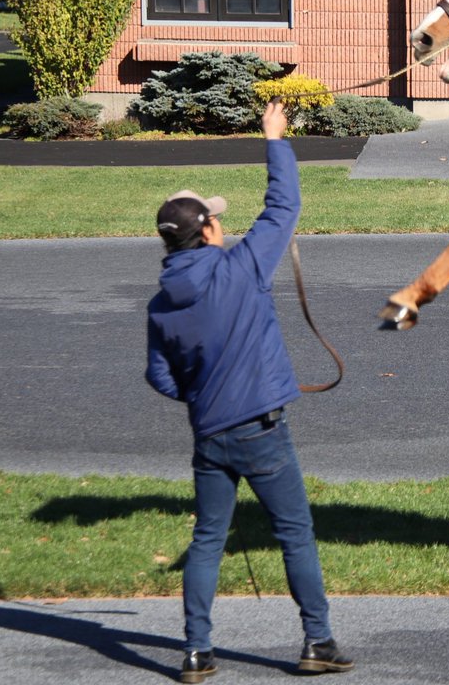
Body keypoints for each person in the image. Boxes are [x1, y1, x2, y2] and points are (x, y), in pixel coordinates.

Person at [146, 101, 354, 683]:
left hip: (209, 435)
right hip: (262, 429)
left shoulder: (160, 304)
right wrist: (274, 137)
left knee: (208, 537)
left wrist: (204, 394)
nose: (221, 223)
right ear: (206, 232)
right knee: (295, 534)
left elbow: (161, 377)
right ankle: (317, 641)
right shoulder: (239, 268)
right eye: (214, 218)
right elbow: (284, 205)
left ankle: (196, 652)